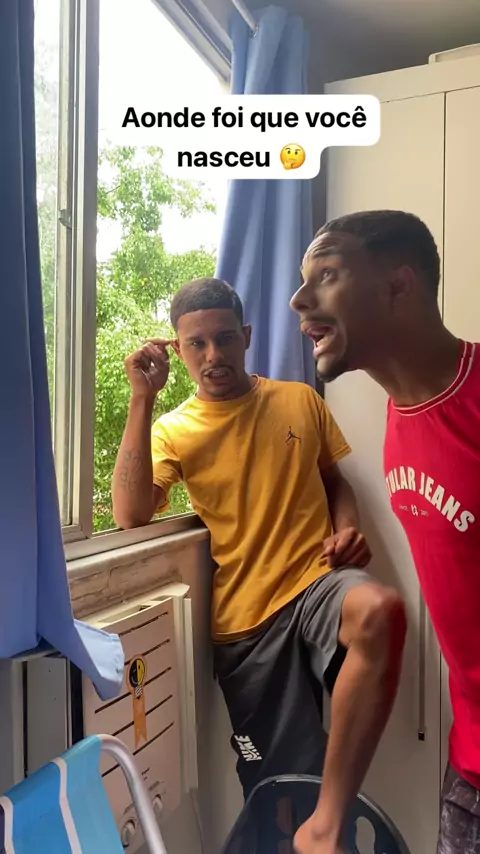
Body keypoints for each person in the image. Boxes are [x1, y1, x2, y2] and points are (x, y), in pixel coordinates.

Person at [112, 276, 407, 854]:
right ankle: (313, 829)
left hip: (316, 585)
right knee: (278, 800)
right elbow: (129, 514)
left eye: (225, 338)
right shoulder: (174, 430)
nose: (213, 355)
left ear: (246, 336)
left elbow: (334, 480)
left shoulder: (299, 399)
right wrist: (142, 399)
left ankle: (330, 823)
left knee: (380, 610)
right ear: (178, 349)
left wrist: (347, 528)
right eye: (197, 344)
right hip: (247, 629)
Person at [290, 209, 480, 854]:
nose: (298, 300)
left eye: (326, 274)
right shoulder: (400, 415)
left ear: (399, 285)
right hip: (470, 765)